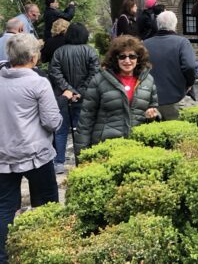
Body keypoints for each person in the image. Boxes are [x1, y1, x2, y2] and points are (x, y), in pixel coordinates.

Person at [0, 34, 62, 264]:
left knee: (4, 207)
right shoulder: (37, 82)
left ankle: (3, 256)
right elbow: (51, 121)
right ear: (33, 57)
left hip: (3, 154)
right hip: (36, 153)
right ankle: (49, 248)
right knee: (47, 203)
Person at [74, 35, 159, 155]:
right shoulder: (99, 80)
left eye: (132, 56)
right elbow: (86, 119)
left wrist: (153, 115)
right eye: (122, 56)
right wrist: (82, 154)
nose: (127, 61)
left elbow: (154, 109)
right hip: (106, 146)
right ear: (115, 59)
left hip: (138, 147)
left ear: (138, 58)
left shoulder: (148, 80)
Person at [48, 23, 100, 174]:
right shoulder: (90, 51)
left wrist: (68, 90)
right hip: (86, 97)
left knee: (61, 130)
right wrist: (80, 92)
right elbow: (94, 73)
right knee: (84, 129)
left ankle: (59, 162)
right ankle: (85, 159)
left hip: (63, 97)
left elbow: (54, 72)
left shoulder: (59, 52)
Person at [144, 11, 196, 120]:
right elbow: (190, 66)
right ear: (175, 25)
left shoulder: (144, 43)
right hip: (175, 97)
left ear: (158, 25)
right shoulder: (182, 42)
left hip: (150, 101)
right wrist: (190, 83)